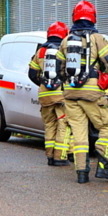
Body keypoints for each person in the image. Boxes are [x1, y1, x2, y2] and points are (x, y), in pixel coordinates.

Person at [57, 0, 108, 184]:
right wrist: (104, 75)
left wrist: (69, 82)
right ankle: (103, 167)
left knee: (79, 134)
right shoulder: (97, 39)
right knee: (106, 127)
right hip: (92, 94)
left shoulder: (65, 41)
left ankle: (82, 173)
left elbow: (58, 69)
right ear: (93, 17)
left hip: (70, 94)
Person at [29, 21, 71, 166]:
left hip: (44, 95)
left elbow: (32, 74)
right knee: (64, 125)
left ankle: (50, 157)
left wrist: (43, 85)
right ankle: (60, 157)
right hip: (61, 95)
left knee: (49, 125)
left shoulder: (40, 51)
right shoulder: (64, 49)